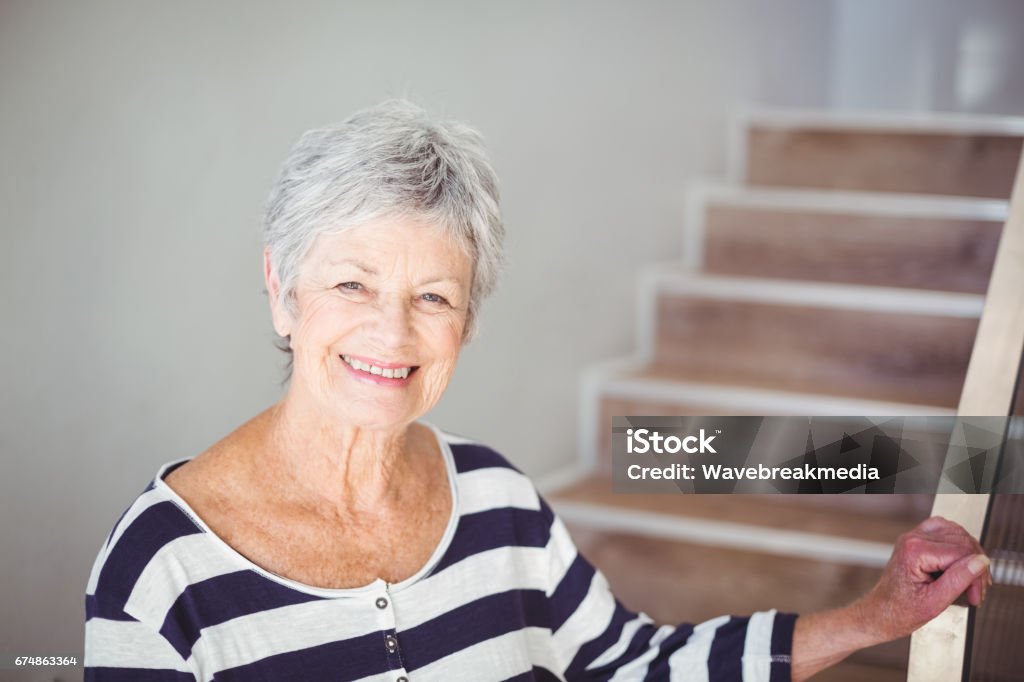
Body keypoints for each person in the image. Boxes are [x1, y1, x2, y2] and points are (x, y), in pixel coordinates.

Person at [84, 100, 992, 681]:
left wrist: (871, 618)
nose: (391, 334)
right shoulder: (161, 571)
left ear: (467, 323)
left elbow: (634, 663)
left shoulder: (498, 499)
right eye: (351, 284)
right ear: (282, 292)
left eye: (432, 297)